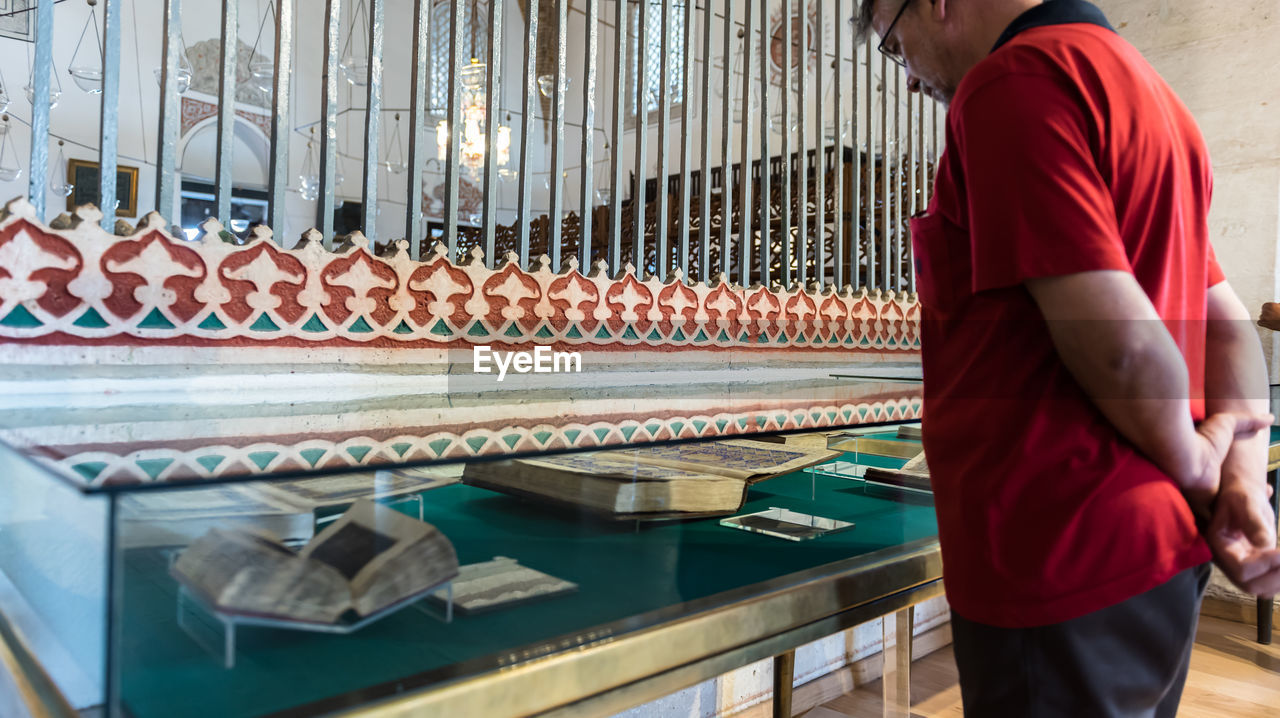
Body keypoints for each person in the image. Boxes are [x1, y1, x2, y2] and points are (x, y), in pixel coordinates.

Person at [855, 0, 1280, 715]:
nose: (907, 79)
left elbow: (1117, 344)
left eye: (896, 48)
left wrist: (1203, 464)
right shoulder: (1155, 94)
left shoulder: (1012, 81)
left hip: (1058, 547)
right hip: (1155, 551)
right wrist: (1240, 470)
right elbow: (1225, 320)